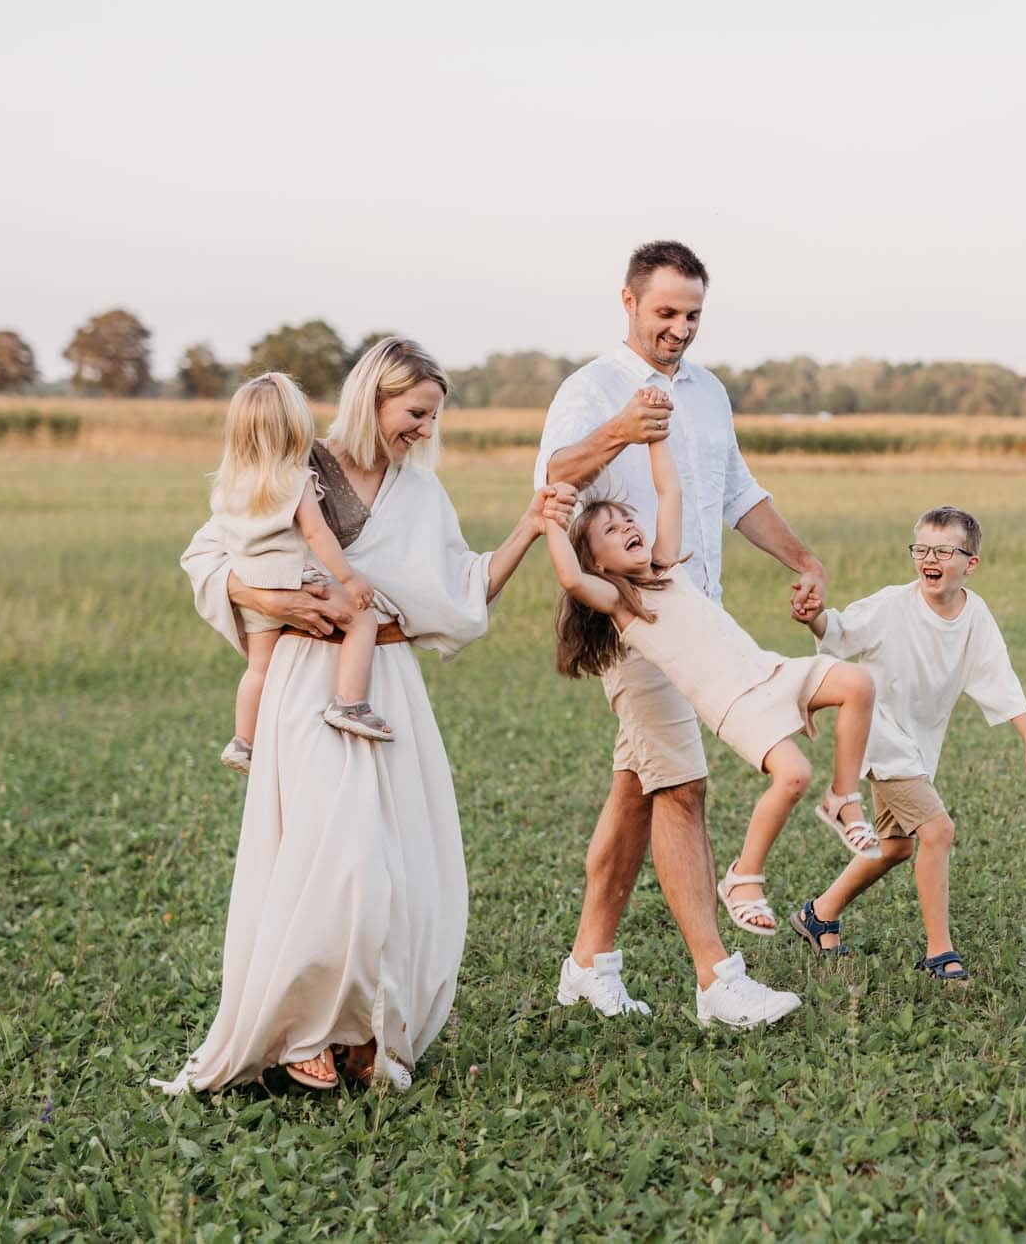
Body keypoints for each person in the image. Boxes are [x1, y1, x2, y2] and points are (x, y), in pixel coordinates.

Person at [161, 338, 574, 1092]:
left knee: (400, 866)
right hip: (303, 678)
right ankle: (301, 1032)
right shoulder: (295, 461)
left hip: (385, 679)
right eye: (415, 412)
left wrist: (532, 525)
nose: (424, 428)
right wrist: (270, 599)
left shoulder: (420, 493)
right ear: (373, 399)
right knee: (336, 852)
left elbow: (465, 585)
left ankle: (362, 1030)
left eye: (432, 416)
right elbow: (208, 555)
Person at [534, 239, 831, 1027]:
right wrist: (624, 429)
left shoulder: (707, 391)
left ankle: (589, 962)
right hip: (634, 623)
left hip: (701, 619)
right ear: (628, 303)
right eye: (665, 312)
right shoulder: (592, 387)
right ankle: (717, 979)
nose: (679, 328)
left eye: (692, 314)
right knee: (684, 787)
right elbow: (555, 477)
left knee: (638, 787)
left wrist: (801, 557)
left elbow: (738, 492)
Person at [542, 420, 878, 977]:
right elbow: (573, 581)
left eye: (629, 519)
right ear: (597, 561)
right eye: (611, 529)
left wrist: (656, 440)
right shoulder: (625, 608)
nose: (628, 527)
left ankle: (843, 800)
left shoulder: (668, 566)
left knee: (858, 684)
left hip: (767, 669)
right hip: (733, 703)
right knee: (790, 776)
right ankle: (743, 878)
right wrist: (554, 521)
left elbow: (670, 491)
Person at [788, 506, 1026, 985]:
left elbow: (999, 676)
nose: (930, 559)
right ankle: (940, 954)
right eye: (922, 550)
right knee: (938, 832)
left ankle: (818, 914)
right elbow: (839, 632)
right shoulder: (893, 604)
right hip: (879, 737)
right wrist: (813, 619)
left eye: (944, 551)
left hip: (917, 744)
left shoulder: (975, 615)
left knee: (895, 847)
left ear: (970, 563)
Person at [208, 371, 393, 777]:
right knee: (363, 619)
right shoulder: (296, 479)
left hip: (253, 584)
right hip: (297, 578)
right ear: (295, 429)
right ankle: (349, 702)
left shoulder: (227, 484)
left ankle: (244, 740)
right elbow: (316, 533)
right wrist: (349, 580)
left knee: (259, 668)